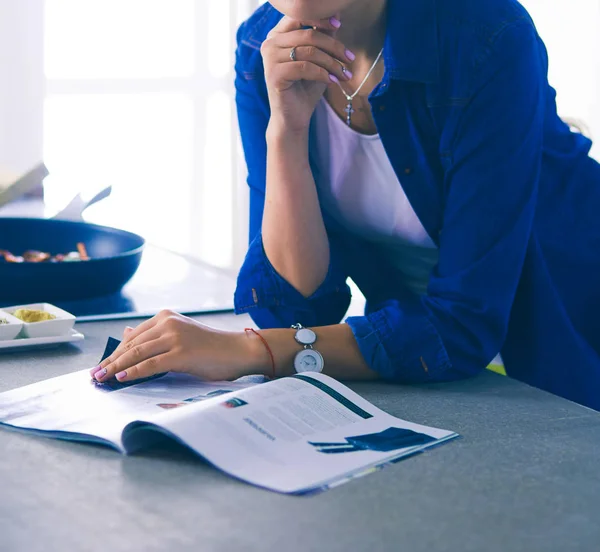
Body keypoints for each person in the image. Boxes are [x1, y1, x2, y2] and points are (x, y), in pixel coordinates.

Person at [90, 0, 600, 411]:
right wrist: (287, 131)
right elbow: (292, 309)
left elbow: (463, 326)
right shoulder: (262, 47)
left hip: (565, 335)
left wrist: (245, 351)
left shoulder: (487, 35)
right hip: (435, 370)